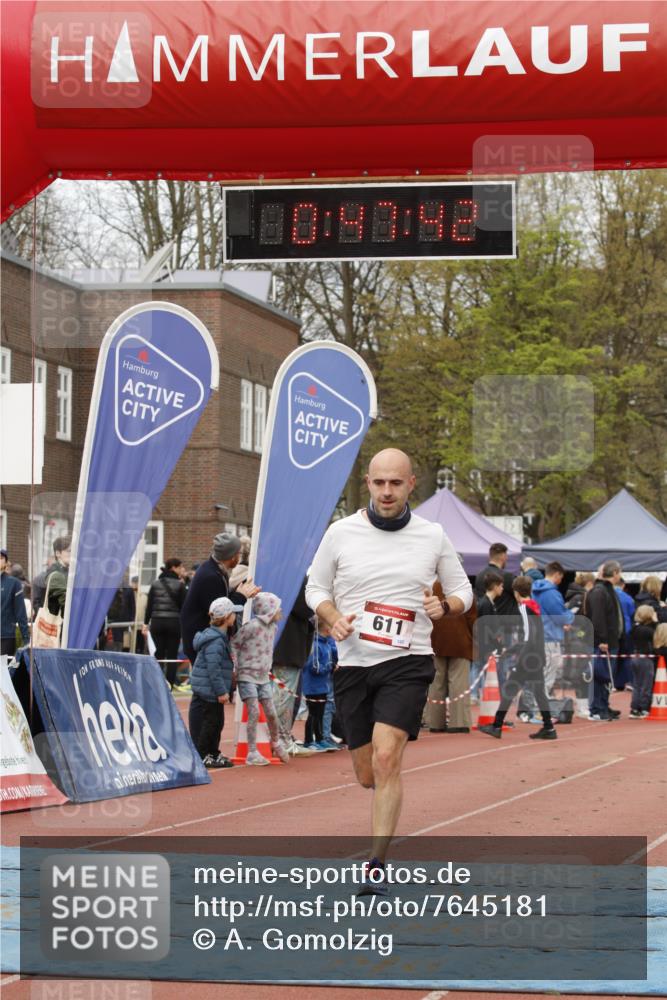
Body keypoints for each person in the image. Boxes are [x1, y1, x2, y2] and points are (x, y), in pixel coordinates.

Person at [305, 448, 472, 893]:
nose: (386, 491)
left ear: (411, 484)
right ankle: (382, 803)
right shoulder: (341, 533)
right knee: (367, 773)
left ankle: (376, 864)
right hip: (354, 663)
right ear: (368, 484)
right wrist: (331, 614)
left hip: (408, 661)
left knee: (386, 756)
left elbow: (463, 591)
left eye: (395, 483)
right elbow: (315, 586)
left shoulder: (432, 535)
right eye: (379, 483)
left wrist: (445, 605)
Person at [478, 576, 557, 741]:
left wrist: (519, 656)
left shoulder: (524, 608)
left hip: (528, 658)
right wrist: (511, 650)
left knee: (509, 689)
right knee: (539, 692)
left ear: (515, 593)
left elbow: (528, 636)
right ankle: (549, 727)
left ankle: (497, 725)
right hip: (537, 655)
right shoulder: (535, 607)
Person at [180, 532, 260, 663]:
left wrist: (239, 594)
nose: (240, 557)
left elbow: (222, 601)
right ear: (231, 556)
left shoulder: (213, 570)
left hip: (203, 639)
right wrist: (241, 596)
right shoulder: (210, 576)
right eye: (238, 554)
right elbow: (221, 612)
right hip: (203, 643)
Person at [232, 592, 290, 766]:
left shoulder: (274, 627)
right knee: (254, 712)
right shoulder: (251, 626)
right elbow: (234, 643)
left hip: (263, 676)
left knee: (271, 713)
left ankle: (276, 742)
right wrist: (236, 666)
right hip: (247, 675)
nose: (281, 611)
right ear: (268, 610)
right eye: (277, 608)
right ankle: (252, 751)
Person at [188, 597, 239, 768]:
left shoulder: (219, 637)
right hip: (209, 691)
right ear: (226, 617)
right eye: (233, 613)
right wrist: (221, 692)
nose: (236, 616)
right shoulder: (216, 641)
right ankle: (203, 754)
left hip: (211, 690)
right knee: (210, 723)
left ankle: (213, 752)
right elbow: (213, 669)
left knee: (217, 723)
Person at [425, 579, 477, 733]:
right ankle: (459, 722)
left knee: (436, 684)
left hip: (435, 642)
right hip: (460, 642)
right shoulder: (464, 590)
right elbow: (472, 618)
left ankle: (434, 722)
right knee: (458, 683)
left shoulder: (431, 587)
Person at [271, 580, 316, 757]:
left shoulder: (280, 575)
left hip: (283, 647)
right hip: (288, 648)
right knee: (283, 697)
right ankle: (280, 739)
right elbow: (304, 608)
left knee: (282, 695)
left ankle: (281, 737)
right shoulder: (295, 579)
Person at [584, 560, 624, 721]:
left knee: (605, 675)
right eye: (619, 572)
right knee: (600, 675)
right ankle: (597, 708)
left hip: (611, 640)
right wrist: (602, 639)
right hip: (603, 642)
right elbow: (598, 618)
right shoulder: (600, 591)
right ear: (614, 573)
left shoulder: (606, 590)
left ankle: (603, 705)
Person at [532, 562, 574, 695]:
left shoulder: (534, 590)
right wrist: (570, 616)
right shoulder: (551, 593)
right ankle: (540, 709)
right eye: (560, 577)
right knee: (548, 676)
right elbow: (560, 616)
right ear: (556, 574)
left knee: (540, 675)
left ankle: (537, 707)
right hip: (549, 637)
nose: (561, 581)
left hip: (538, 635)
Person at [143, 558, 187, 688]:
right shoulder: (180, 585)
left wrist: (146, 623)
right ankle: (170, 685)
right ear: (173, 568)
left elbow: (149, 606)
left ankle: (157, 683)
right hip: (174, 623)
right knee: (172, 656)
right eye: (180, 567)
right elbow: (184, 607)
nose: (181, 570)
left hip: (157, 622)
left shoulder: (155, 584)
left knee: (158, 654)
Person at [302, 621, 338, 751]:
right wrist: (330, 667)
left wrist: (331, 666)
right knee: (313, 714)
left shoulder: (326, 644)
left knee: (320, 713)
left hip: (322, 685)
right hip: (313, 686)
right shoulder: (316, 645)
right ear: (326, 630)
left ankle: (319, 739)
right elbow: (313, 666)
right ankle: (308, 740)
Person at [564, 572, 596, 718]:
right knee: (582, 674)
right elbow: (573, 620)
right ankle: (582, 707)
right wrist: (581, 635)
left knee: (581, 674)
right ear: (589, 583)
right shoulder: (579, 598)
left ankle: (583, 706)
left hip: (577, 640)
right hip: (578, 641)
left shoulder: (576, 596)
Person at [629, 606, 658, 718]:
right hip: (646, 658)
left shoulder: (634, 628)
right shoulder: (648, 630)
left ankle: (635, 708)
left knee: (637, 684)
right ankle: (644, 708)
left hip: (635, 657)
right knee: (646, 684)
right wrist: (655, 622)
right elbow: (656, 639)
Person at [1, 549, 29, 656]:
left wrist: (26, 639)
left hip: (5, 637)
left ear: (6, 563)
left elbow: (20, 613)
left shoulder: (14, 584)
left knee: (2, 671)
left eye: (1, 558)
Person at [44, 536, 71, 617]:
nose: (73, 554)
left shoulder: (71, 571)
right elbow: (67, 601)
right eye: (69, 551)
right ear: (58, 553)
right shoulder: (54, 573)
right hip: (60, 625)